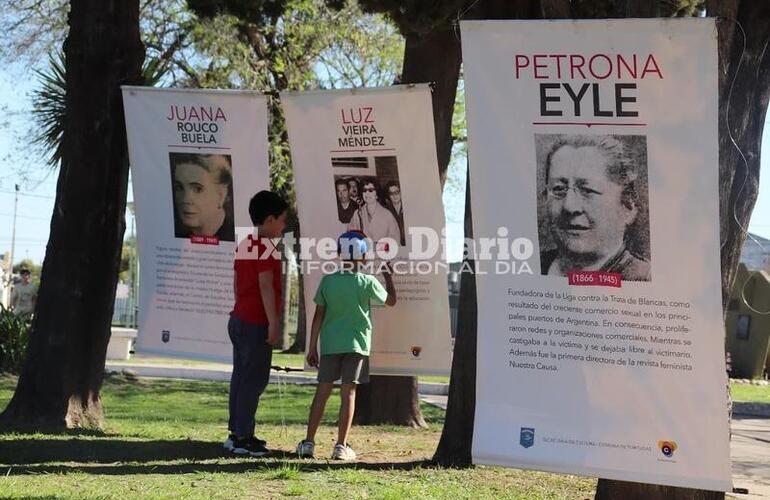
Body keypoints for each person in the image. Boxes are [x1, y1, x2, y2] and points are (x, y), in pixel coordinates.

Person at [295, 231, 396, 460]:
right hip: (357, 345)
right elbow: (391, 301)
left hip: (330, 345)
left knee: (322, 394)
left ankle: (309, 443)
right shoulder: (367, 281)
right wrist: (388, 276)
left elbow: (318, 316)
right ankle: (341, 446)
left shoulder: (328, 281)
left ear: (340, 253)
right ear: (363, 256)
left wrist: (312, 347)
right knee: (348, 394)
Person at [224, 190, 288, 457]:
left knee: (240, 378)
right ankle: (243, 438)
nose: (284, 225)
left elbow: (238, 284)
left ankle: (237, 432)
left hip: (238, 319)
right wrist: (274, 323)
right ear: (270, 219)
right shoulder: (265, 249)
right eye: (282, 220)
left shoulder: (246, 244)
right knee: (254, 380)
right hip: (255, 323)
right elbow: (266, 286)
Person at [540, 136, 650, 281]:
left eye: (587, 190)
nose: (569, 206)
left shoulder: (644, 278)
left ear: (627, 206)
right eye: (559, 189)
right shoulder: (534, 266)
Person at [171, 153, 235, 241]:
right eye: (179, 187)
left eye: (198, 189)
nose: (185, 199)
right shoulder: (177, 239)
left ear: (221, 196)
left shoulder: (241, 239)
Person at [348, 180, 400, 250]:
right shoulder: (357, 214)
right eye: (364, 190)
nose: (367, 193)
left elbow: (395, 240)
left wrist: (377, 246)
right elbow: (350, 236)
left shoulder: (387, 215)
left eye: (371, 190)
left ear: (377, 194)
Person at [384, 181, 405, 246]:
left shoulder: (408, 206)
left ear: (401, 192)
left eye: (396, 192)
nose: (394, 195)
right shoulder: (386, 210)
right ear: (388, 195)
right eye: (391, 193)